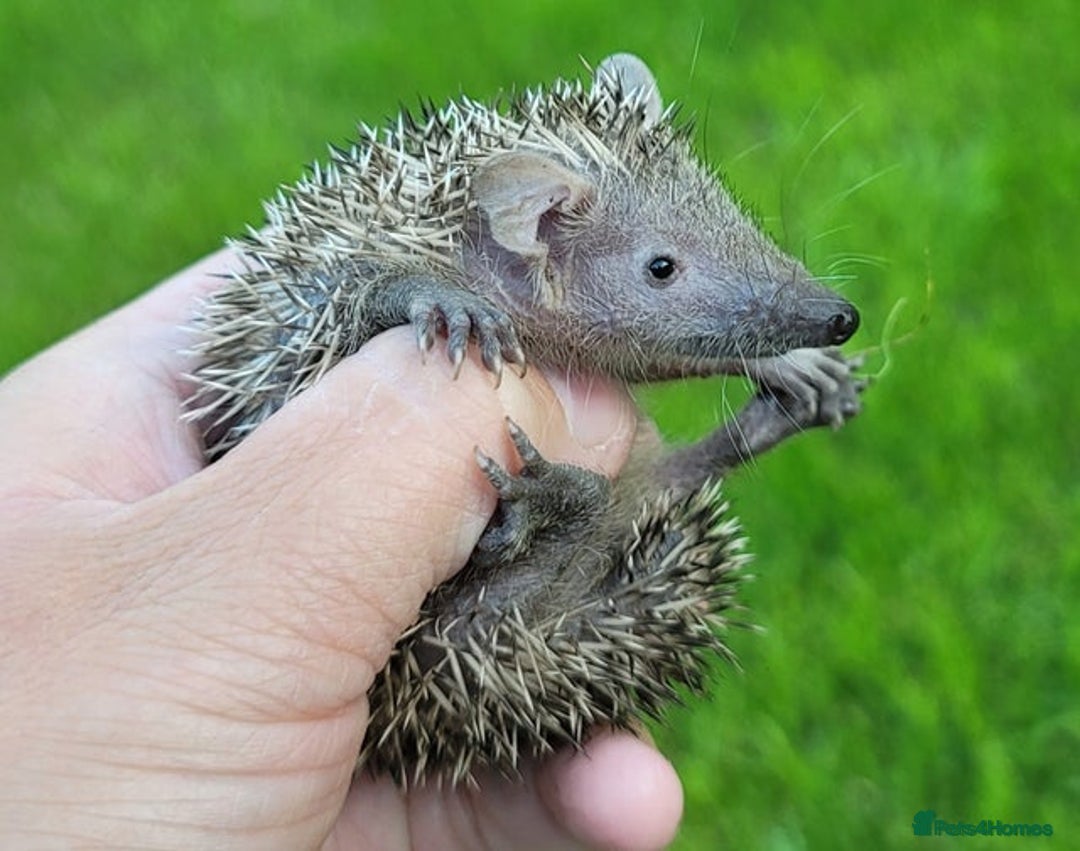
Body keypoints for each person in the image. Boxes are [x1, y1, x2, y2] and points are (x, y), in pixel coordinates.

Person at [0, 250, 685, 850]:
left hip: (530, 602)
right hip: (452, 629)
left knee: (634, 516)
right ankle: (578, 511)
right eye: (661, 267)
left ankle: (619, 495)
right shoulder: (367, 272)